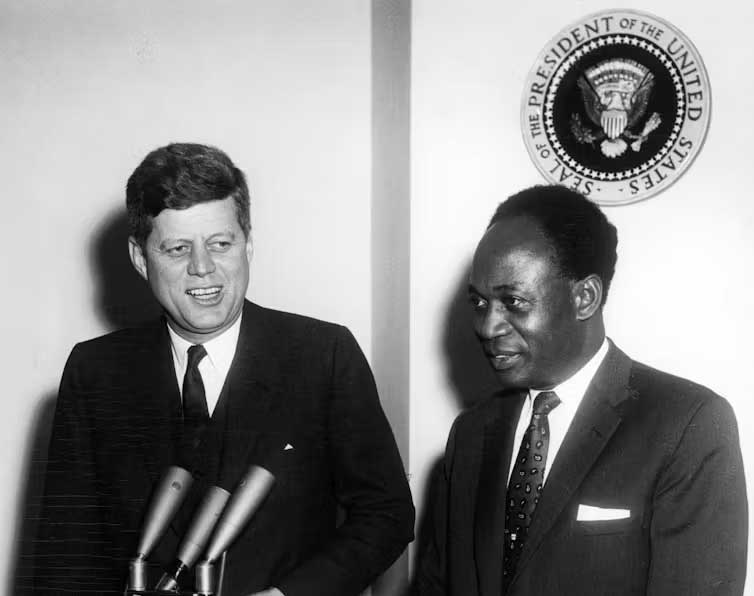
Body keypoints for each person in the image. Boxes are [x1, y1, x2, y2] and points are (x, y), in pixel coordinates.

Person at [33, 143, 414, 596]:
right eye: (177, 248)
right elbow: (65, 557)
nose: (203, 268)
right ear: (140, 258)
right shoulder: (94, 371)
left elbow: (387, 515)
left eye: (220, 244)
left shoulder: (324, 356)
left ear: (247, 244)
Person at [416, 185, 747, 595]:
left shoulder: (687, 425)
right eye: (479, 303)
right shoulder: (470, 434)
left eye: (514, 302)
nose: (487, 327)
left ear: (585, 297)